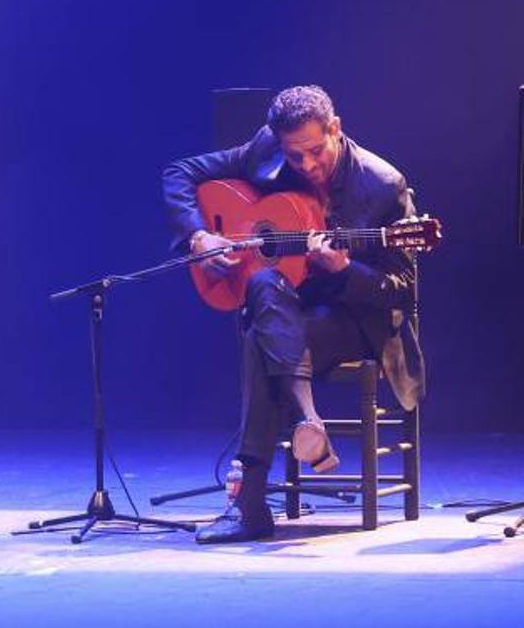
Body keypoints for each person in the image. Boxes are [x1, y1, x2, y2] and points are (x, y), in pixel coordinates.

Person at [161, 85, 424, 544]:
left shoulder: (382, 185)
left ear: (335, 129)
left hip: (358, 319)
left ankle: (250, 504)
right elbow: (179, 172)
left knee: (261, 336)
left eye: (315, 151)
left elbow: (401, 291)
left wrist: (346, 271)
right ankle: (308, 421)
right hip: (291, 309)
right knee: (263, 285)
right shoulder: (267, 148)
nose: (305, 165)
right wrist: (199, 237)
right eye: (294, 155)